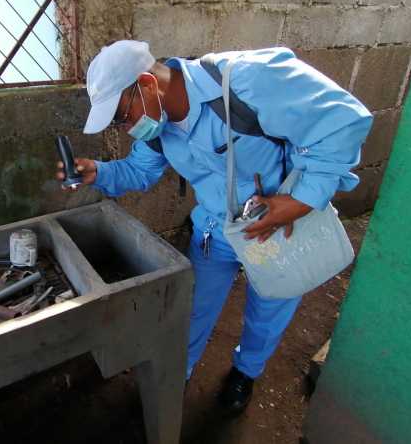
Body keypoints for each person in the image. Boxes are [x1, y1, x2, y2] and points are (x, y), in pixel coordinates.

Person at [56, 40, 373, 416]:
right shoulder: (158, 127)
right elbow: (140, 171)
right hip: (215, 228)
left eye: (122, 116)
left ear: (146, 83)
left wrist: (301, 200)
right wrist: (100, 172)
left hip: (276, 225)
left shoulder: (248, 80)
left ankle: (246, 371)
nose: (125, 129)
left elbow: (345, 120)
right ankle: (181, 370)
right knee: (194, 307)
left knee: (271, 304)